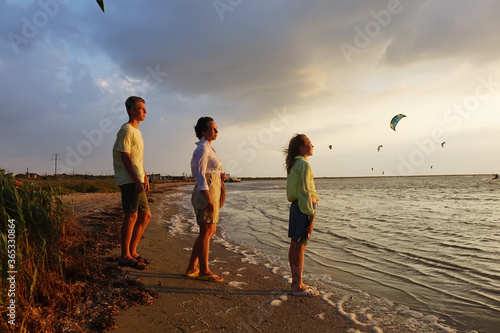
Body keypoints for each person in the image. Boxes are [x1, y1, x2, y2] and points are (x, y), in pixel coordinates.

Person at [185, 117, 227, 282]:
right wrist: (208, 197)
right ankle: (204, 270)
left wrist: (219, 176)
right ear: (203, 131)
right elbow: (200, 175)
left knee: (209, 231)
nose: (216, 131)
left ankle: (192, 267)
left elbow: (209, 171)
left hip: (212, 190)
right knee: (206, 231)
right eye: (213, 129)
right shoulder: (202, 149)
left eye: (217, 128)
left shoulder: (209, 148)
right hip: (206, 192)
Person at [112, 96, 151, 269]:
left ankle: (132, 251)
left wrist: (145, 176)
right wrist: (136, 179)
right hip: (129, 179)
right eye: (142, 108)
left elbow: (137, 158)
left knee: (145, 215)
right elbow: (125, 156)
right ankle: (124, 256)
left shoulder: (138, 132)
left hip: (137, 178)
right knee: (131, 215)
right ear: (132, 110)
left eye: (144, 108)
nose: (145, 111)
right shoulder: (126, 130)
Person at [284, 134, 319, 296]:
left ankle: (296, 282)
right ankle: (297, 285)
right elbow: (305, 191)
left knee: (295, 245)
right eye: (310, 144)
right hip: (303, 207)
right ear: (302, 148)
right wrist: (311, 215)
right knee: (300, 247)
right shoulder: (303, 165)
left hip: (296, 206)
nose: (313, 146)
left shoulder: (295, 164)